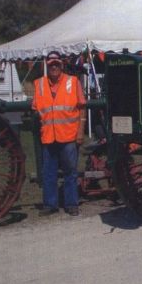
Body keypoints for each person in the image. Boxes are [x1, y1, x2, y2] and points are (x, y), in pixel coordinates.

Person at [33, 51, 87, 216]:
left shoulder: (73, 81)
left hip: (69, 136)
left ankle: (71, 204)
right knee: (49, 173)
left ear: (61, 65)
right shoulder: (39, 84)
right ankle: (50, 205)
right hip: (49, 137)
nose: (54, 67)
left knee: (70, 172)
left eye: (57, 64)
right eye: (51, 65)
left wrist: (80, 132)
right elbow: (36, 109)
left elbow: (82, 108)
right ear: (47, 66)